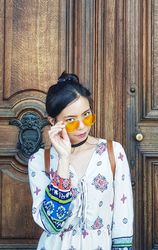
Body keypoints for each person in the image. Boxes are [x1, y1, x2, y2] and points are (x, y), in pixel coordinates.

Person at [28, 72, 133, 250]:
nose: (83, 126)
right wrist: (63, 158)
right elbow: (52, 224)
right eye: (71, 120)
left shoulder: (113, 152)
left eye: (87, 115)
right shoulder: (39, 161)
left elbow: (123, 219)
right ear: (53, 122)